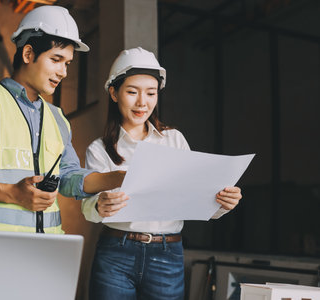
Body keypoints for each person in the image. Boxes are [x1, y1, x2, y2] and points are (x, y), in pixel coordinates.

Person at [0, 5, 124, 234]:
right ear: (28, 54)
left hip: (45, 251)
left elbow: (69, 177)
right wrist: (10, 193)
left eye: (67, 63)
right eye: (56, 59)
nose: (64, 72)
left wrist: (119, 178)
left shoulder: (57, 118)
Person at [81, 47, 243, 300]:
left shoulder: (174, 140)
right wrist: (98, 206)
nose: (142, 102)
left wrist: (223, 204)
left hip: (167, 254)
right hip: (115, 253)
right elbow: (87, 207)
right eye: (132, 92)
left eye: (151, 93)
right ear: (113, 92)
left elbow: (196, 197)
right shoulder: (99, 149)